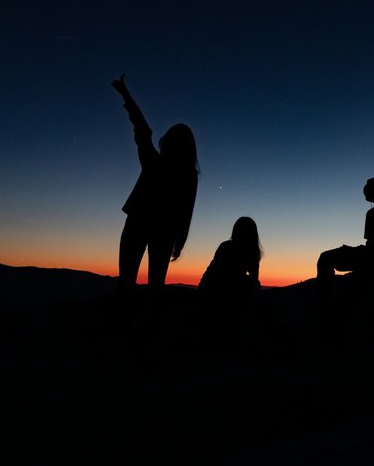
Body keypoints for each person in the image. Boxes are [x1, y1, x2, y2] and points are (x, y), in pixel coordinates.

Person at [111, 74, 199, 296]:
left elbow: (142, 130)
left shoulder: (155, 163)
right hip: (165, 230)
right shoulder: (188, 174)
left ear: (168, 142)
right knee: (155, 287)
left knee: (127, 282)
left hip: (139, 222)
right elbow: (186, 211)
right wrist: (179, 242)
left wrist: (126, 95)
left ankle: (124, 324)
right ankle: (150, 325)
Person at [316, 177, 374, 313]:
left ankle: (325, 305)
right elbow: (372, 242)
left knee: (325, 258)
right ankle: (326, 303)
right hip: (373, 256)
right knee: (325, 258)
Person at [198, 216, 264, 350]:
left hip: (216, 287)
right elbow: (217, 275)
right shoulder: (228, 247)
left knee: (253, 285)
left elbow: (253, 279)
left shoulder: (243, 250)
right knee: (252, 285)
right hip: (215, 287)